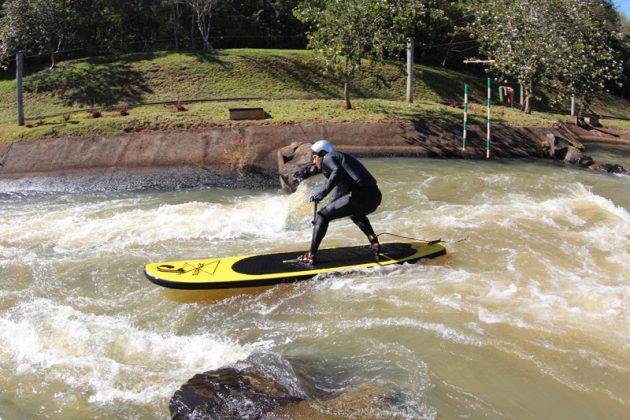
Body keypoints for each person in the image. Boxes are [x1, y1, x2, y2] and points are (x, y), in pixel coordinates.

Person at [298, 139, 382, 265]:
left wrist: (322, 194)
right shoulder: (340, 160)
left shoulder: (328, 158)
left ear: (321, 154)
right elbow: (338, 193)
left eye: (314, 157)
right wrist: (327, 210)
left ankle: (311, 255)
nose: (314, 161)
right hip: (374, 196)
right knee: (354, 213)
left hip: (360, 196)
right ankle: (374, 242)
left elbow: (337, 172)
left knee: (322, 215)